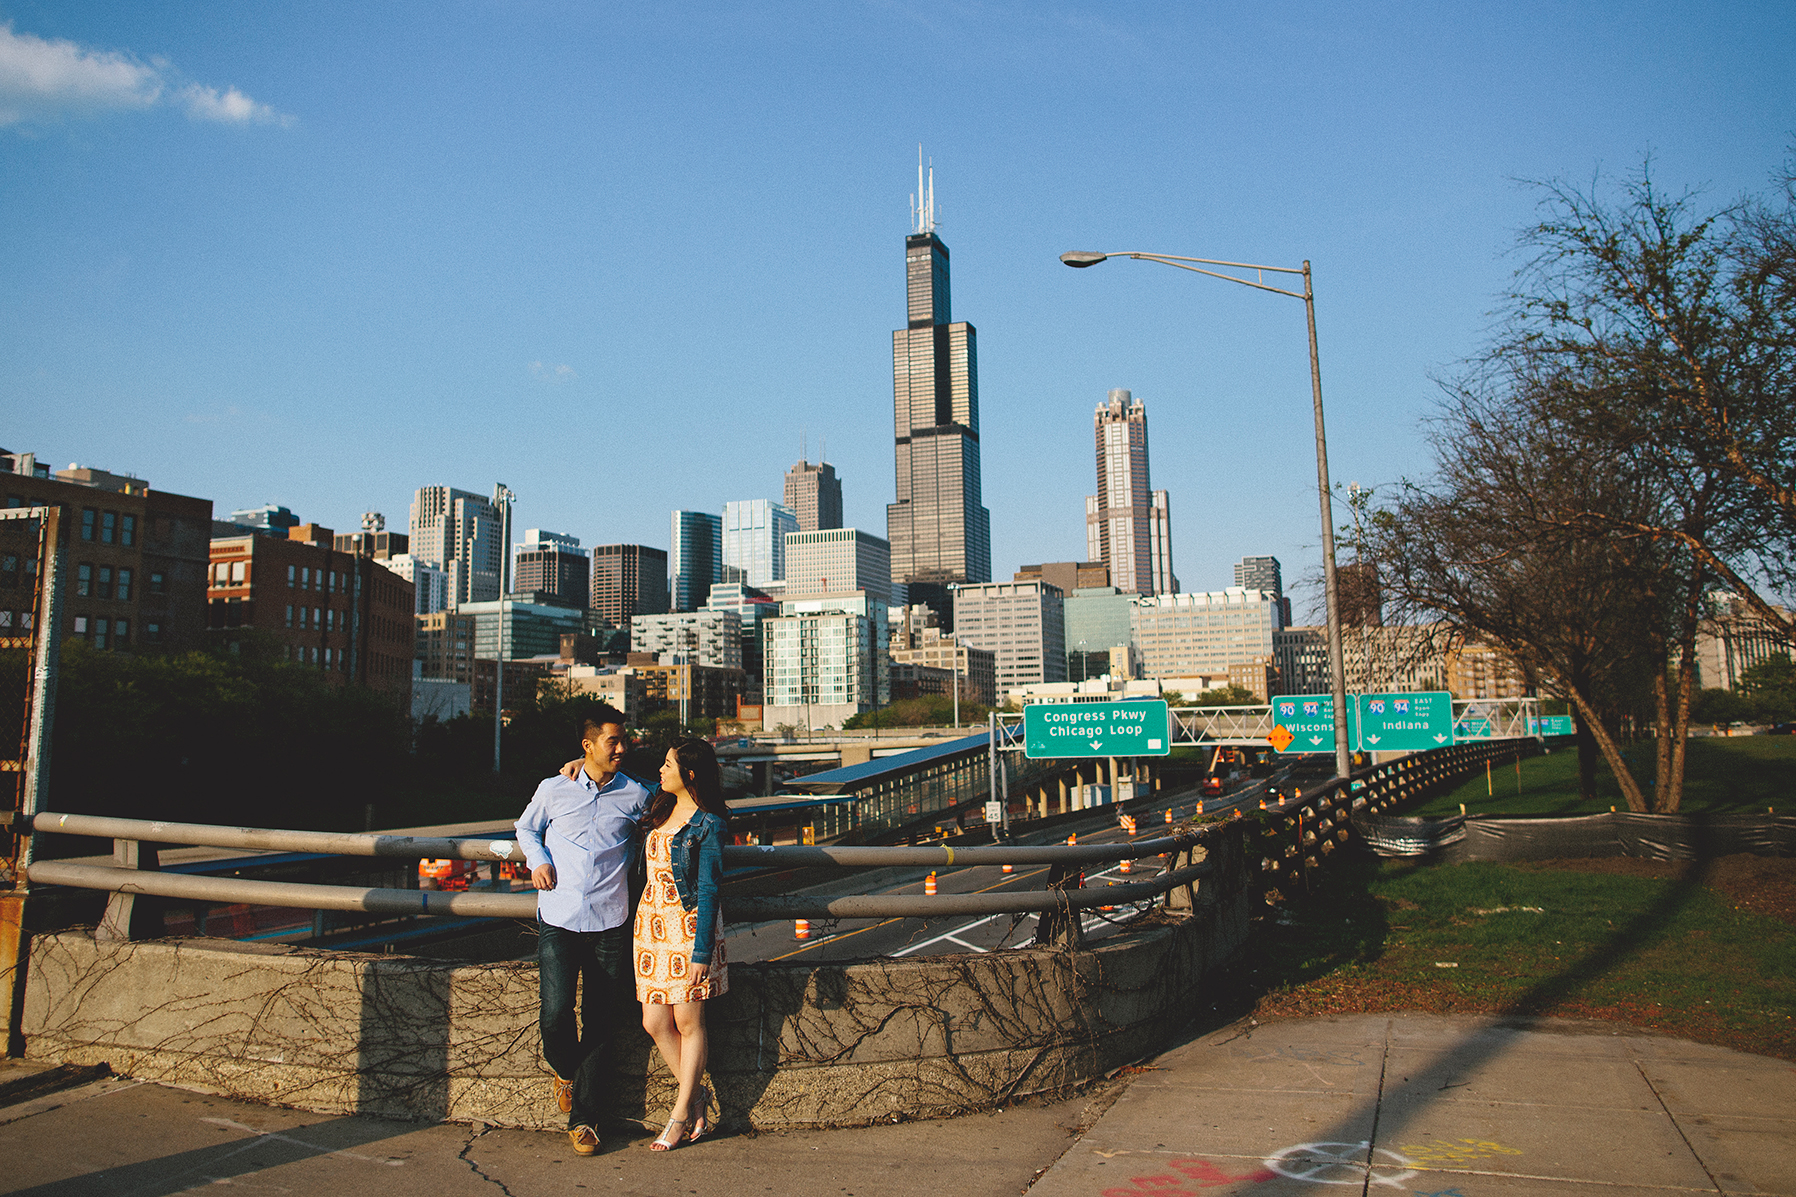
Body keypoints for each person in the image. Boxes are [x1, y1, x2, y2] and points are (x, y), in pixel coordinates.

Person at [515, 706, 650, 1158]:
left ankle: (585, 1120)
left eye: (623, 740)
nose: (622, 748)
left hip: (610, 921)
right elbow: (526, 828)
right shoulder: (554, 789)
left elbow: (671, 807)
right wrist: (538, 861)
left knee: (600, 1021)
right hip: (557, 916)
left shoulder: (636, 793)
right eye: (612, 741)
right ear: (587, 745)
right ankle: (564, 1071)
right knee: (555, 1013)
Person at [634, 737, 729, 1150]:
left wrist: (702, 952)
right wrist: (573, 764)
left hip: (689, 929)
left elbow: (709, 890)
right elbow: (609, 775)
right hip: (650, 929)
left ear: (688, 774)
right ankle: (698, 1096)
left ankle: (678, 1114)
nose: (660, 771)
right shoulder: (660, 807)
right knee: (654, 1023)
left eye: (668, 765)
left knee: (689, 1023)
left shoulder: (709, 823)